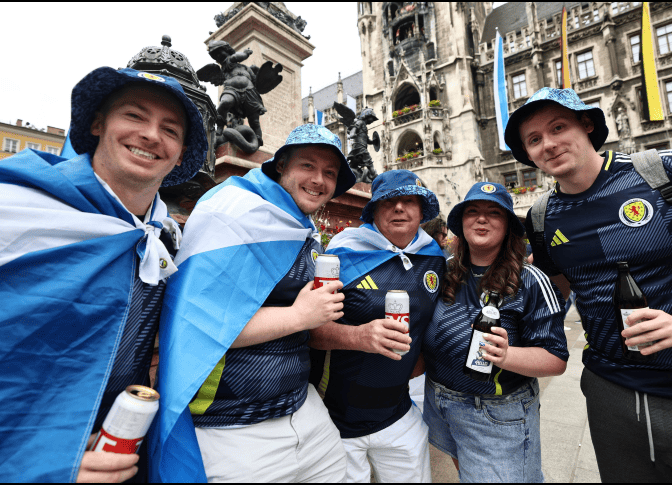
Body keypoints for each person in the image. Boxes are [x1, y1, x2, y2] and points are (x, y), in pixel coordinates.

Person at [508, 87, 672, 482]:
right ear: (528, 155)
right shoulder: (544, 217)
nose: (548, 144)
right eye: (534, 139)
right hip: (612, 393)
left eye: (558, 127)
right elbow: (555, 294)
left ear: (587, 124)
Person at [0, 66, 208, 482]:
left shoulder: (166, 238)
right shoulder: (16, 208)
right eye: (134, 115)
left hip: (125, 450)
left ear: (180, 153)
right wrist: (38, 459)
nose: (151, 135)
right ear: (97, 124)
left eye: (170, 129)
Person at [149, 124, 356, 482]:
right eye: (307, 166)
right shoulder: (236, 213)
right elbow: (200, 324)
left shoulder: (301, 229)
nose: (319, 180)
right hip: (234, 428)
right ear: (281, 167)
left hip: (303, 409)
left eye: (330, 173)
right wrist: (299, 315)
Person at [422, 181, 568, 483]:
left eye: (494, 213)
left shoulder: (531, 281)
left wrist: (507, 355)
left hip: (494, 413)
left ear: (508, 226)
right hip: (440, 402)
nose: (481, 218)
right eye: (472, 211)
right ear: (461, 224)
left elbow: (556, 359)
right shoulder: (443, 270)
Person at [308, 170, 446, 483]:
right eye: (389, 201)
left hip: (399, 415)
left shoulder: (435, 259)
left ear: (421, 211)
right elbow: (311, 332)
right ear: (375, 211)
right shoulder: (342, 255)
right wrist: (359, 336)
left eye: (408, 200)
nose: (399, 208)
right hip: (336, 422)